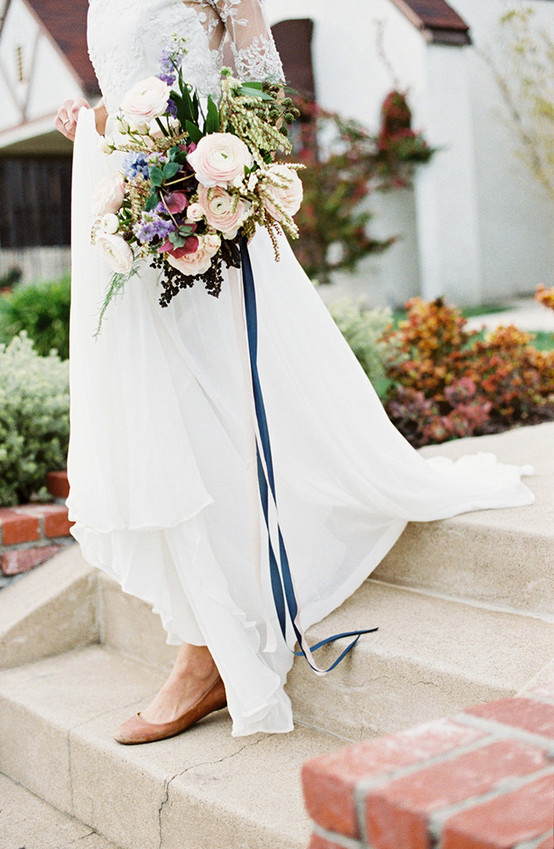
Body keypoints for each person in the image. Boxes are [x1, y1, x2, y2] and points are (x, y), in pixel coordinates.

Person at [56, 0, 534, 745]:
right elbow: (131, 88)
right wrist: (98, 125)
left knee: (215, 413)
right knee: (170, 414)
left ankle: (209, 652)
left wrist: (207, 178)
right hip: (138, 231)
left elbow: (261, 94)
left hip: (204, 225)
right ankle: (203, 631)